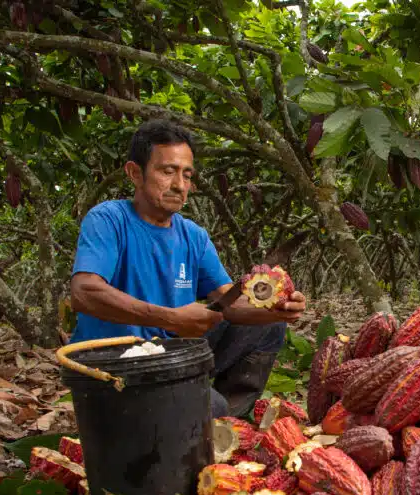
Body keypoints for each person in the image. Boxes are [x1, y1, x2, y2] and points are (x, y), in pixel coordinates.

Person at [68, 119, 306, 418]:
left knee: (268, 326)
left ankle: (229, 427)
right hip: (113, 363)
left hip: (171, 357)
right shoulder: (109, 219)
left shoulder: (193, 235)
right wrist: (172, 319)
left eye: (187, 174)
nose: (180, 185)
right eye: (167, 171)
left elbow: (229, 304)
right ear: (135, 173)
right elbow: (84, 292)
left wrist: (279, 309)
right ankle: (204, 415)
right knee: (209, 408)